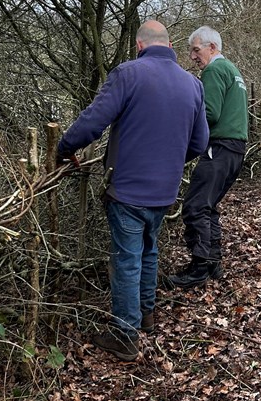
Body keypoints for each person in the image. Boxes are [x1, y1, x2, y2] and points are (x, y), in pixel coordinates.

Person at [57, 20, 209, 361]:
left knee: (127, 258)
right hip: (165, 190)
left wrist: (65, 147)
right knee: (149, 249)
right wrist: (170, 162)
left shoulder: (128, 74)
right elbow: (199, 142)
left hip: (127, 188)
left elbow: (94, 121)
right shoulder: (192, 85)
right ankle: (147, 314)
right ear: (169, 46)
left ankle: (125, 334)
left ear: (139, 46)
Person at [167, 26, 248, 288]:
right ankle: (213, 262)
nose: (192, 56)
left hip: (220, 147)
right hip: (235, 149)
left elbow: (209, 113)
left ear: (212, 48)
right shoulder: (233, 70)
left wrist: (181, 130)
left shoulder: (214, 70)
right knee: (208, 205)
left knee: (195, 206)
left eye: (196, 49)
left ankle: (199, 268)